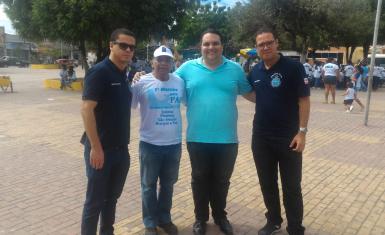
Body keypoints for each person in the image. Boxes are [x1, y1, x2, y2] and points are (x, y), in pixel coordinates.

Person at [174, 29, 254, 235]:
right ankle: (200, 218)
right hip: (197, 137)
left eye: (215, 43)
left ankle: (220, 216)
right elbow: (165, 82)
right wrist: (141, 77)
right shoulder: (186, 68)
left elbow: (250, 94)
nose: (211, 47)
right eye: (206, 44)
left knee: (222, 181)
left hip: (227, 139)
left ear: (222, 45)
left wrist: (278, 99)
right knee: (199, 179)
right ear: (200, 47)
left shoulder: (234, 69)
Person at [247, 27, 310, 235]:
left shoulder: (293, 68)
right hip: (261, 137)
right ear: (256, 48)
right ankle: (273, 220)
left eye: (269, 42)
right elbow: (251, 92)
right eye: (261, 44)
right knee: (267, 183)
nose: (265, 47)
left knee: (292, 187)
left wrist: (302, 132)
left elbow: (304, 100)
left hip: (289, 137)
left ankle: (295, 227)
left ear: (276, 43)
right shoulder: (255, 71)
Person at [80, 28, 136, 235]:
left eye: (131, 47)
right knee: (94, 202)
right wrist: (95, 147)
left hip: (121, 150)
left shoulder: (123, 73)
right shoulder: (100, 72)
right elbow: (86, 110)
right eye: (123, 45)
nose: (128, 50)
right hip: (100, 151)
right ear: (111, 45)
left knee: (111, 199)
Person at [131, 46, 185, 235]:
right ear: (152, 62)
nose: (163, 63)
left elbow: (187, 102)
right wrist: (131, 80)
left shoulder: (179, 82)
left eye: (167, 60)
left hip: (173, 144)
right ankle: (150, 223)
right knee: (148, 186)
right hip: (149, 144)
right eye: (159, 59)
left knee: (168, 185)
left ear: (171, 63)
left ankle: (165, 219)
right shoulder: (141, 82)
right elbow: (129, 105)